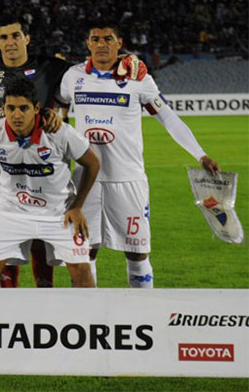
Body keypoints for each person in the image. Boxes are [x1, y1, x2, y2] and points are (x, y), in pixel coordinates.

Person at [55, 20, 220, 287]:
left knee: (137, 251)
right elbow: (59, 106)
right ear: (87, 44)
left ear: (119, 44)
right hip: (85, 179)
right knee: (84, 251)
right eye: (95, 39)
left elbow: (168, 117)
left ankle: (142, 311)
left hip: (128, 178)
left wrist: (200, 154)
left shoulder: (138, 79)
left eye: (108, 39)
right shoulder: (74, 76)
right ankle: (87, 315)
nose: (101, 44)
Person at [0, 78, 100, 288]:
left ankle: (86, 318)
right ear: (3, 109)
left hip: (58, 213)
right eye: (11, 108)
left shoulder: (59, 133)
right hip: (10, 211)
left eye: (24, 108)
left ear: (36, 108)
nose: (17, 115)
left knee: (81, 270)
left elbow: (93, 163)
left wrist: (77, 206)